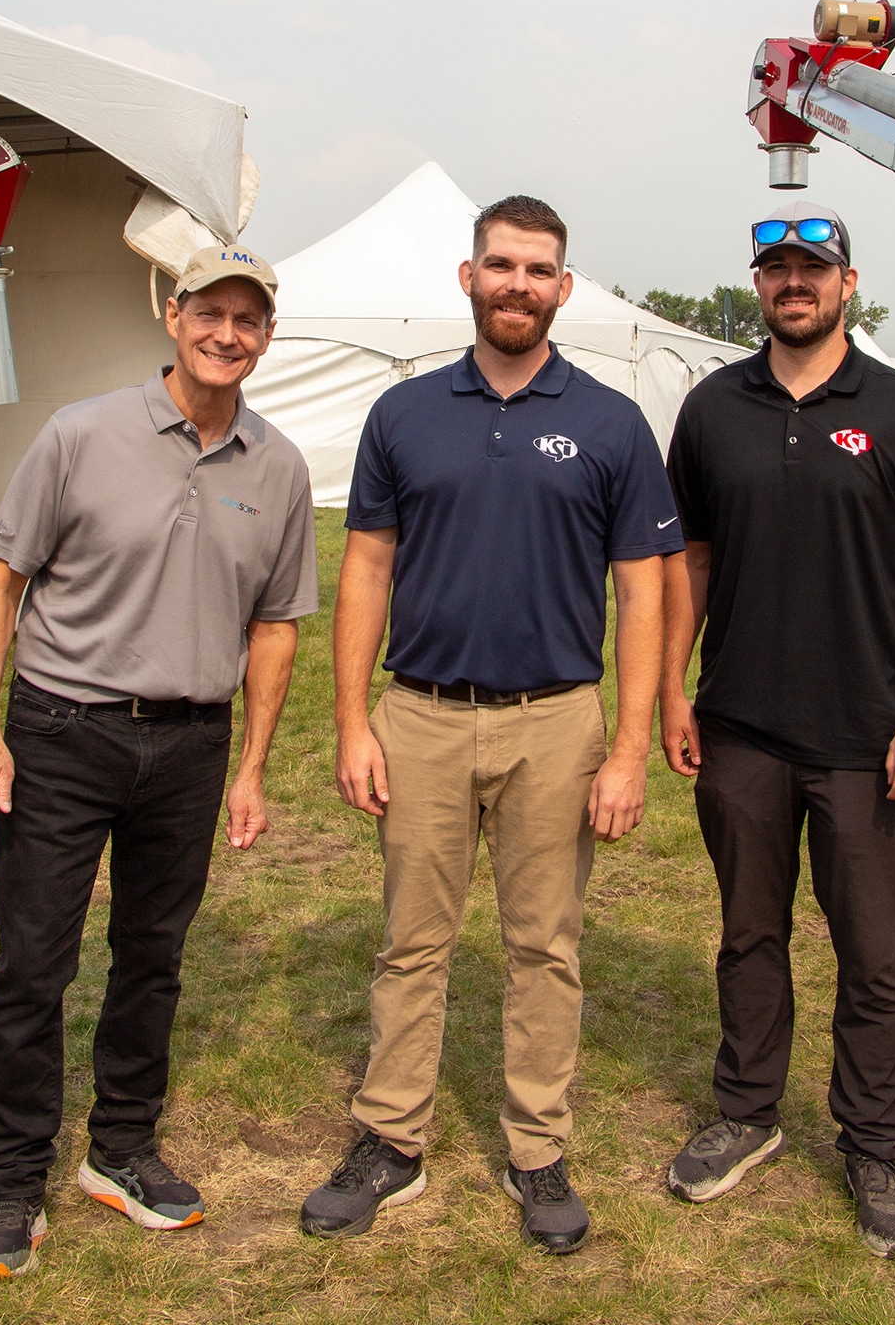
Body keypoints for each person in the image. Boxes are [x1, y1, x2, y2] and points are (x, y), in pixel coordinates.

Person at [300, 195, 680, 1254]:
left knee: (544, 947)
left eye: (540, 270)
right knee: (411, 941)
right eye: (501, 265)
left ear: (564, 288)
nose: (520, 284)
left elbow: (645, 592)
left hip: (556, 723)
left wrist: (629, 750)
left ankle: (537, 1150)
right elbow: (366, 567)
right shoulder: (406, 413)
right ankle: (390, 1140)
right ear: (468, 277)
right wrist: (352, 722)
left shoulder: (609, 421)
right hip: (419, 716)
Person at [0, 244, 318, 1283]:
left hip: (193, 746)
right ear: (174, 312)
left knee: (152, 957)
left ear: (266, 335)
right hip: (64, 732)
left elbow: (278, 626)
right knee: (34, 964)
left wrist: (250, 767)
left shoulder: (279, 466)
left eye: (249, 319)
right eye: (211, 311)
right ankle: (14, 1183)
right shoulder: (81, 433)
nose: (227, 333)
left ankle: (119, 1149)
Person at [660, 200, 895, 1257]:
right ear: (757, 287)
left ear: (850, 285)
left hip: (869, 739)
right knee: (749, 938)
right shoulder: (713, 408)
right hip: (742, 729)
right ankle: (748, 1113)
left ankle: (874, 1147)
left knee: (875, 956)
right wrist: (671, 686)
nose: (794, 284)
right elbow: (692, 562)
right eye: (776, 271)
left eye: (814, 268)